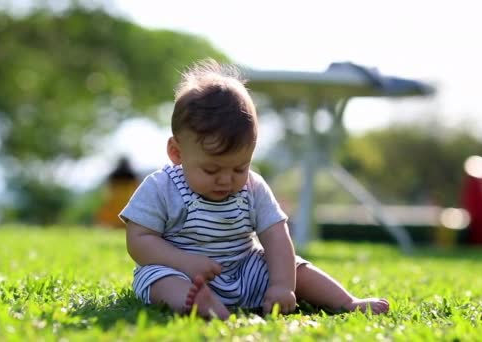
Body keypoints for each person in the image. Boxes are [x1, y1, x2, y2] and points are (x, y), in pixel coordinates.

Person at [120, 59, 389, 319]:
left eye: (239, 167)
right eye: (212, 170)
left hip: (243, 271)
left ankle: (346, 302)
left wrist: (283, 284)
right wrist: (184, 262)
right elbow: (139, 240)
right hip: (180, 271)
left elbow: (276, 235)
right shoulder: (161, 187)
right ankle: (198, 303)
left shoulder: (253, 186)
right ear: (177, 152)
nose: (226, 180)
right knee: (157, 278)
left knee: (295, 266)